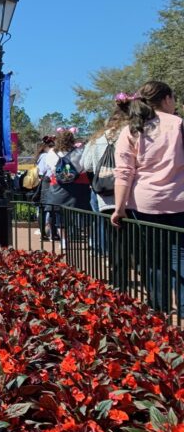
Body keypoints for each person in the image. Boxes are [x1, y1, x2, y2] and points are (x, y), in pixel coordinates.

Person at [110, 81, 184, 316]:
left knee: (154, 261)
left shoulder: (132, 129)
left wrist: (118, 208)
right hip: (180, 202)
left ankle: (159, 311)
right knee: (181, 257)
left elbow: (123, 172)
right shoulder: (180, 125)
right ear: (166, 99)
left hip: (144, 204)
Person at [80, 109, 128, 251]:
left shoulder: (96, 140)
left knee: (109, 230)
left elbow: (85, 165)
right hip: (127, 193)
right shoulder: (129, 135)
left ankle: (112, 261)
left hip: (103, 193)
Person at [37, 128, 90, 245]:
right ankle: (91, 240)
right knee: (83, 214)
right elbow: (85, 167)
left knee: (60, 216)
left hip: (58, 188)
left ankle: (64, 241)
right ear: (72, 140)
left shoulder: (51, 154)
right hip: (78, 188)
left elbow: (51, 169)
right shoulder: (80, 152)